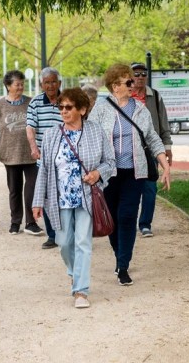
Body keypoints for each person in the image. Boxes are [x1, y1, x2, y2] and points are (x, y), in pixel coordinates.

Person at [88, 64, 170, 286]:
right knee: (112, 219)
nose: (133, 84)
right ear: (115, 86)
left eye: (133, 81)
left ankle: (123, 265)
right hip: (108, 173)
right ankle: (119, 255)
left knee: (127, 216)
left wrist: (165, 164)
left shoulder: (140, 109)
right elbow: (91, 136)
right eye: (128, 82)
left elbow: (152, 138)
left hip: (135, 173)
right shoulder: (101, 108)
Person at [33, 88, 115, 308]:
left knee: (82, 243)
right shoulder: (51, 135)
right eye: (60, 107)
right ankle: (73, 271)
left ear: (82, 109)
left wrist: (98, 174)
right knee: (63, 243)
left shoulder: (96, 132)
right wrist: (37, 201)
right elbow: (44, 170)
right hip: (59, 198)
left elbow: (110, 162)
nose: (63, 111)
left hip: (87, 197)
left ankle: (81, 291)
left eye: (68, 107)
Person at [0, 70, 43, 236]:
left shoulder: (31, 103)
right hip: (10, 155)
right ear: (8, 86)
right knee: (14, 190)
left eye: (22, 84)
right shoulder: (0, 105)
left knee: (32, 188)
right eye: (17, 84)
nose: (21, 87)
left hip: (32, 154)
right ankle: (15, 221)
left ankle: (31, 222)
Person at [130, 61, 173, 238]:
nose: (140, 77)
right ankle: (128, 222)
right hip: (129, 150)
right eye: (136, 74)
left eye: (143, 74)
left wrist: (167, 147)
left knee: (149, 189)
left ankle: (145, 224)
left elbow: (163, 123)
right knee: (130, 189)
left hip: (150, 150)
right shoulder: (125, 96)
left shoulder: (154, 96)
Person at [26, 67, 63, 249]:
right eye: (46, 82)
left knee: (66, 196)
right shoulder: (35, 103)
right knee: (48, 198)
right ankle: (53, 235)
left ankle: (67, 233)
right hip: (45, 159)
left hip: (66, 158)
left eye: (53, 81)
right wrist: (34, 148)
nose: (50, 85)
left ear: (59, 83)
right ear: (42, 84)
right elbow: (30, 127)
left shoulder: (66, 101)